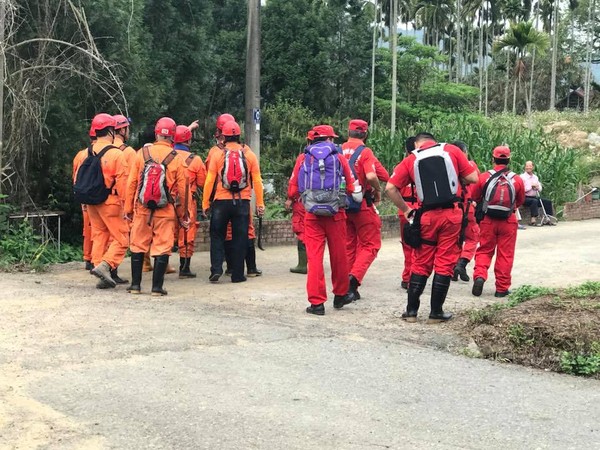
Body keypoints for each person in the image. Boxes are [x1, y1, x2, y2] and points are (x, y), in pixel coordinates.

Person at [386, 133, 478, 323]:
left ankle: (411, 312)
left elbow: (389, 188)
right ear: (434, 140)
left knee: (420, 262)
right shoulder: (451, 150)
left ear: (417, 144)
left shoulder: (411, 159)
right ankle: (436, 313)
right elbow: (473, 178)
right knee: (444, 263)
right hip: (451, 215)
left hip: (426, 216)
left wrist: (405, 209)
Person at [288, 125, 358, 315]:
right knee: (339, 256)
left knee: (315, 259)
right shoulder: (339, 158)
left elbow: (293, 190)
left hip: (312, 216)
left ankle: (317, 303)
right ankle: (341, 295)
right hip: (336, 214)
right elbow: (351, 187)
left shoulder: (303, 158)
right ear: (329, 139)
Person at [125, 117, 188, 296]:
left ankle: (135, 286)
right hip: (165, 210)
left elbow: (131, 183)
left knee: (137, 245)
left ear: (156, 133)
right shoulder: (176, 159)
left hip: (142, 209)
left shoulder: (141, 154)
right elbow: (182, 191)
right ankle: (157, 288)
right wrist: (182, 214)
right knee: (162, 246)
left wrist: (128, 208)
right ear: (173, 136)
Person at [202, 120, 265, 283]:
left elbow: (209, 180)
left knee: (217, 236)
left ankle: (216, 269)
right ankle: (238, 275)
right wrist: (260, 203)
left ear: (223, 136)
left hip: (221, 202)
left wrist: (205, 203)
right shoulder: (249, 155)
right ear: (238, 136)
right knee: (240, 237)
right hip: (242, 202)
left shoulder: (217, 154)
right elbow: (257, 180)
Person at [79, 113, 130, 289]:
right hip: (111, 202)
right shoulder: (116, 154)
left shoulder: (85, 152)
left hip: (92, 201)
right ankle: (106, 265)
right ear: (111, 131)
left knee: (99, 236)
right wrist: (128, 207)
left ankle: (99, 270)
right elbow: (123, 184)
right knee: (122, 238)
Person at [341, 119, 389, 300]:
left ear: (348, 132)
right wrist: (378, 190)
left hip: (342, 206)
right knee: (371, 244)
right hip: (361, 205)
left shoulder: (337, 150)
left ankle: (346, 285)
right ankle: (353, 281)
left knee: (348, 245)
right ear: (365, 134)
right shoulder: (365, 152)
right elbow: (377, 175)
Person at [471, 146, 525, 298]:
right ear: (509, 160)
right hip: (508, 220)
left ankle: (480, 276)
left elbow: (475, 196)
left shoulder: (484, 177)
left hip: (488, 220)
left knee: (484, 250)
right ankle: (501, 288)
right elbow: (520, 200)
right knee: (505, 254)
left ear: (493, 159)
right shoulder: (517, 179)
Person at [173, 124, 206, 278]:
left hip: (166, 202)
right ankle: (184, 268)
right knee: (187, 233)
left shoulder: (167, 155)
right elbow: (202, 183)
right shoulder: (195, 160)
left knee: (164, 233)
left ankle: (160, 266)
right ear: (188, 141)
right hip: (187, 201)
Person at [285, 130, 315, 275]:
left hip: (303, 202)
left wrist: (290, 198)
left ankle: (302, 265)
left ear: (308, 141)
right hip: (325, 202)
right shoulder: (333, 158)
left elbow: (294, 180)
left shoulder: (303, 158)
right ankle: (315, 262)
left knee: (302, 231)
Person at [451, 140, 481, 282]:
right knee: (472, 237)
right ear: (463, 152)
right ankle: (462, 263)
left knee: (455, 239)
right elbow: (476, 184)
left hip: (452, 207)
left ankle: (453, 269)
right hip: (467, 207)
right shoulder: (471, 165)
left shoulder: (447, 167)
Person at [72, 124, 97, 271]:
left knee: (87, 227)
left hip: (83, 195)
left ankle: (88, 257)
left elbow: (74, 176)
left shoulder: (80, 154)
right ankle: (95, 258)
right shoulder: (103, 152)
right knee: (99, 228)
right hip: (97, 195)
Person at [397, 136, 419, 290]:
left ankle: (406, 277)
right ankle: (413, 277)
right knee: (418, 246)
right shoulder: (424, 165)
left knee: (406, 245)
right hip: (420, 209)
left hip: (404, 209)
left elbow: (393, 189)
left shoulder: (401, 166)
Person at [521, 161, 554, 226]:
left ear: (533, 167)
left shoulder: (535, 177)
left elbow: (540, 189)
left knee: (547, 202)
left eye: (530, 166)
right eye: (527, 166)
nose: (528, 167)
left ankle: (548, 218)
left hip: (533, 197)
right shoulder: (522, 177)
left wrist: (537, 187)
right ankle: (533, 220)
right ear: (525, 167)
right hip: (524, 198)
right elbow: (522, 189)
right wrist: (531, 187)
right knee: (534, 201)